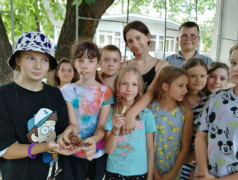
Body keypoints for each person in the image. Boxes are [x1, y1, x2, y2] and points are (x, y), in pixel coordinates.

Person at [0, 32, 80, 180]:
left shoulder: (55, 94)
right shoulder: (3, 96)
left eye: (44, 60)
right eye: (31, 58)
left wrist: (67, 138)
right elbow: (6, 150)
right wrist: (47, 146)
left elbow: (64, 128)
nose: (38, 65)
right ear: (17, 59)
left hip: (55, 173)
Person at [60, 41, 114, 180]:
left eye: (90, 61)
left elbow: (102, 126)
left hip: (98, 152)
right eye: (80, 60)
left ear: (98, 64)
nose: (85, 65)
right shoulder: (67, 90)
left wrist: (94, 140)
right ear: (74, 63)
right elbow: (73, 123)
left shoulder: (105, 92)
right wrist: (73, 137)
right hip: (72, 152)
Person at [194, 42, 238, 179]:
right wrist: (203, 172)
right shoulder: (215, 98)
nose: (236, 68)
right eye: (233, 63)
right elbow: (201, 136)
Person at [104, 67, 156, 180]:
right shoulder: (110, 113)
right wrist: (115, 129)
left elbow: (150, 148)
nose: (128, 89)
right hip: (114, 171)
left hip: (140, 172)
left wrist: (150, 175)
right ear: (117, 85)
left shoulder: (147, 114)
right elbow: (109, 150)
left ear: (139, 87)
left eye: (134, 84)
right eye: (124, 83)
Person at [151, 65, 193, 180]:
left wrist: (172, 174)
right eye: (180, 86)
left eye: (186, 86)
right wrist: (152, 170)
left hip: (173, 171)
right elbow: (145, 143)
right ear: (165, 86)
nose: (185, 90)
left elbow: (185, 147)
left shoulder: (186, 112)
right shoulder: (150, 108)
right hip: (149, 168)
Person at [180, 58, 208, 179]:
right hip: (174, 155)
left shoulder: (209, 101)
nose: (199, 80)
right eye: (193, 76)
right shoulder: (176, 99)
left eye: (202, 76)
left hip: (199, 159)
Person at [122, 20, 168, 91]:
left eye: (138, 38)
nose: (135, 44)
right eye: (130, 41)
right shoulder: (122, 67)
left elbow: (151, 93)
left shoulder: (161, 65)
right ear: (127, 44)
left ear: (148, 37)